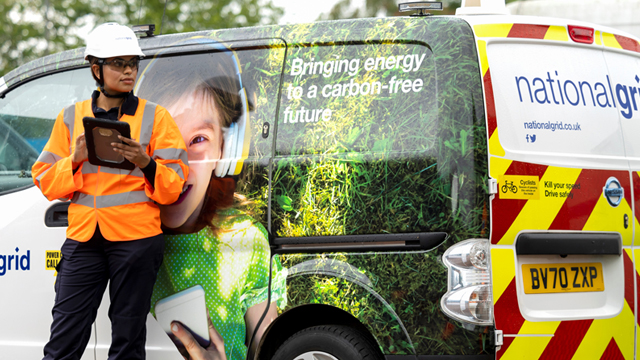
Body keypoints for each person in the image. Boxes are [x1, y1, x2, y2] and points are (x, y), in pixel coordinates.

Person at [31, 23, 189, 360]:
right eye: (118, 63)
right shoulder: (71, 117)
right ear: (95, 69)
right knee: (64, 338)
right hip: (84, 239)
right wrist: (73, 160)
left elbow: (174, 187)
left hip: (136, 241)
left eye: (132, 63)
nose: (129, 71)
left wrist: (146, 163)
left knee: (127, 341)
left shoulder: (156, 117)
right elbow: (45, 180)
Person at [135, 39, 287, 360]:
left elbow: (273, 351)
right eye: (164, 140)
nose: (179, 162)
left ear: (225, 150)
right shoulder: (120, 236)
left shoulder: (244, 241)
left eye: (198, 139)